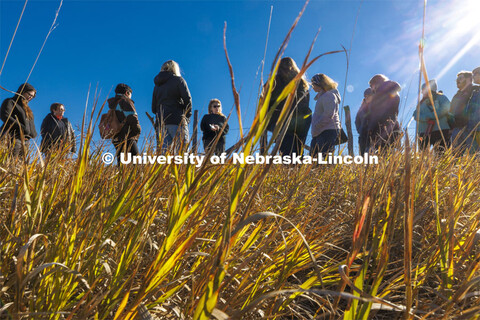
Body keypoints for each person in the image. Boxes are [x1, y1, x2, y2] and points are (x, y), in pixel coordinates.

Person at [264, 57, 311, 156]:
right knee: (297, 150)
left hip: (284, 120)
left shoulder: (274, 81)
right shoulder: (301, 81)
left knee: (286, 151)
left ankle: (291, 168)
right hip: (302, 120)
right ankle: (296, 169)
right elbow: (304, 101)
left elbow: (266, 103)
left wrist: (268, 122)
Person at [152, 60, 192, 153]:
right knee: (182, 152)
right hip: (177, 119)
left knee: (164, 154)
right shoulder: (179, 80)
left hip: (161, 122)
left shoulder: (156, 86)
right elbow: (188, 99)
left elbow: (153, 108)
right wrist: (187, 116)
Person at [365, 74, 401, 152]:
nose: (371, 88)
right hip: (393, 126)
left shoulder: (379, 95)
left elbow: (376, 114)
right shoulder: (393, 91)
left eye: (371, 86)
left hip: (381, 128)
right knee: (390, 153)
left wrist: (370, 128)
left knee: (379, 154)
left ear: (376, 83)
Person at [0, 83, 37, 157]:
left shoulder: (28, 110)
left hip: (25, 141)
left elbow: (31, 123)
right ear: (22, 91)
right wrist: (21, 127)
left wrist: (33, 133)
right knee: (10, 160)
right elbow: (5, 116)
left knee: (20, 165)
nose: (30, 97)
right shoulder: (10, 102)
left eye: (32, 96)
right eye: (29, 94)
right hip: (13, 137)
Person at [413, 80, 451, 152]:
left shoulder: (441, 97)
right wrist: (425, 118)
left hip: (440, 130)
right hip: (423, 132)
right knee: (422, 155)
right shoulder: (421, 103)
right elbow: (415, 115)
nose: (422, 92)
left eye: (423, 90)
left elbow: (445, 108)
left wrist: (430, 116)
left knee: (441, 154)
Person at [108, 83, 141, 164]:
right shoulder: (125, 101)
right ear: (127, 93)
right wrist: (137, 131)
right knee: (136, 163)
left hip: (116, 137)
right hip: (128, 136)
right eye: (130, 95)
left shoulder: (114, 104)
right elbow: (132, 117)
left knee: (122, 164)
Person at [310, 73, 341, 154]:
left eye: (313, 84)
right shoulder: (322, 96)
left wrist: (317, 125)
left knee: (323, 157)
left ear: (319, 84)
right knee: (315, 157)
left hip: (326, 131)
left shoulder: (329, 95)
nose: (312, 86)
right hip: (321, 131)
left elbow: (329, 114)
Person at [449, 71, 475, 152]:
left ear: (469, 79)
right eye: (457, 79)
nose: (457, 80)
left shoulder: (476, 91)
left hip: (471, 129)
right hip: (456, 129)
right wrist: (451, 127)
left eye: (460, 78)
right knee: (455, 156)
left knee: (475, 155)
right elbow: (450, 112)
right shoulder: (456, 95)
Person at [465, 67, 480, 152]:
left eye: (475, 74)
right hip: (474, 128)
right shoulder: (475, 92)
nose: (473, 76)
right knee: (475, 154)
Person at [355, 88, 374, 154]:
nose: (367, 97)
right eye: (365, 96)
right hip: (363, 136)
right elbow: (357, 121)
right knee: (363, 156)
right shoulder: (361, 108)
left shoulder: (376, 106)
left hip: (373, 135)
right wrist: (359, 130)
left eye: (369, 95)